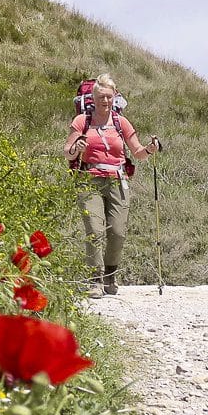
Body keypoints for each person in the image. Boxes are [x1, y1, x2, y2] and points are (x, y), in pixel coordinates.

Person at [64, 73, 158, 296]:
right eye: (100, 97)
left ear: (115, 97)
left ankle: (110, 276)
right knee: (94, 230)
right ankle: (95, 280)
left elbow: (138, 153)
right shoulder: (81, 121)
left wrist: (150, 149)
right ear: (92, 97)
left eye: (108, 97)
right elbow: (67, 153)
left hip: (117, 181)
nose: (105, 101)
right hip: (89, 180)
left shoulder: (120, 122)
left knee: (117, 231)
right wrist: (77, 148)